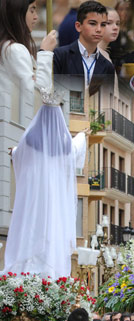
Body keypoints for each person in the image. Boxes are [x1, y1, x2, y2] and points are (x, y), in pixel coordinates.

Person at [2, 101, 87, 278]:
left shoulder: (31, 138)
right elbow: (75, 151)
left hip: (34, 198)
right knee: (50, 231)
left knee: (32, 227)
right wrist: (82, 135)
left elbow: (20, 154)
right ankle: (49, 273)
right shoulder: (64, 143)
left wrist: (14, 152)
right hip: (54, 200)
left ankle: (27, 271)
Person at [0, 0, 56, 119]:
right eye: (32, 10)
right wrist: (45, 53)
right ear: (16, 12)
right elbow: (39, 96)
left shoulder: (7, 47)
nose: (36, 17)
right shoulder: (14, 50)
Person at [53, 1, 115, 90]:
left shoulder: (108, 66)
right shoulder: (59, 56)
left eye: (103, 25)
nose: (98, 29)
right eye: (93, 23)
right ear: (78, 26)